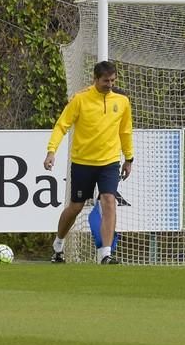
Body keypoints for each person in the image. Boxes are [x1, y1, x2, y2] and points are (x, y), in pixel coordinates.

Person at [43, 61, 134, 264]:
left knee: (109, 201)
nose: (109, 84)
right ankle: (58, 244)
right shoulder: (80, 100)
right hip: (82, 161)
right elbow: (61, 126)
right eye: (105, 81)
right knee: (76, 207)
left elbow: (125, 131)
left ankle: (105, 254)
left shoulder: (122, 101)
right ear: (95, 79)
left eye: (112, 80)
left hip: (109, 162)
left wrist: (129, 158)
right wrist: (51, 151)